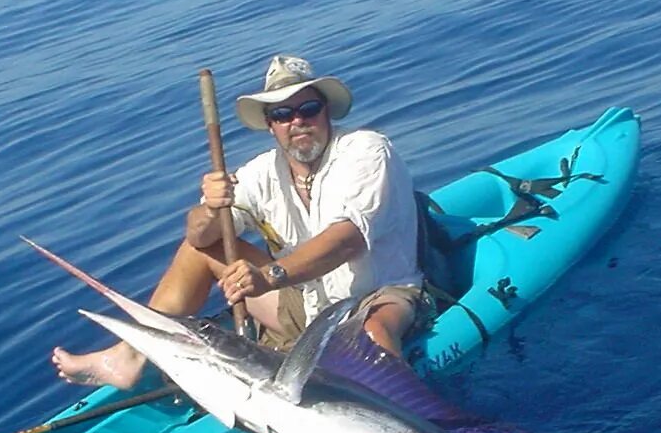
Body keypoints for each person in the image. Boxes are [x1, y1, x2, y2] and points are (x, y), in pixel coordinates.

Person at [51, 54, 425, 389]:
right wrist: (212, 210)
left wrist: (269, 276)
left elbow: (347, 241)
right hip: (306, 301)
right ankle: (127, 358)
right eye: (282, 114)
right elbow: (199, 236)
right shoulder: (259, 173)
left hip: (375, 293)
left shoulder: (367, 151)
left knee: (373, 334)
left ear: (325, 111)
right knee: (200, 248)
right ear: (270, 125)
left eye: (307, 108)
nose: (297, 121)